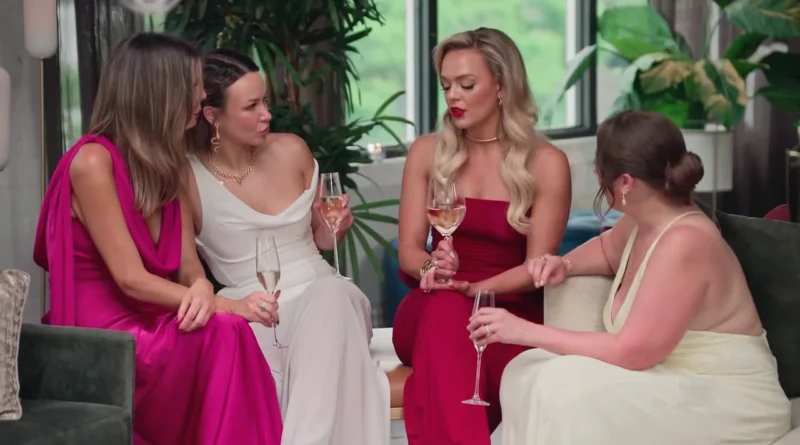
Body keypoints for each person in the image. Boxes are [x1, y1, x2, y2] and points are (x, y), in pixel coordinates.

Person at [469, 110, 792, 445]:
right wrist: (563, 264)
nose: (595, 172)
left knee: (561, 387)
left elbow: (632, 353)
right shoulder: (644, 218)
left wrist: (523, 330)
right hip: (672, 378)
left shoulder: (686, 241)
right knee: (524, 370)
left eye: (600, 165)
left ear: (625, 182)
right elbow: (608, 249)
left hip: (725, 397)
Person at [33, 33, 283, 445]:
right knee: (227, 329)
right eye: (193, 85)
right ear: (159, 92)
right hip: (107, 334)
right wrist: (225, 304)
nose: (202, 95)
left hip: (157, 318)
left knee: (227, 332)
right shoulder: (92, 161)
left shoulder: (173, 165)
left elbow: (188, 267)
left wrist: (202, 287)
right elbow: (130, 279)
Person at [183, 48, 390, 445]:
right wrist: (227, 306)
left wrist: (334, 228)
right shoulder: (185, 175)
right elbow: (187, 271)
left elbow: (322, 240)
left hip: (326, 300)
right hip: (253, 311)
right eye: (252, 106)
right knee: (294, 349)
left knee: (331, 295)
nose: (266, 114)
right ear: (212, 115)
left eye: (265, 101)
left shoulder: (292, 149)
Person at [392, 27, 572, 445]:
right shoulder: (426, 152)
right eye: (446, 86)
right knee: (446, 309)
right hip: (432, 305)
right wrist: (432, 268)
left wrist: (474, 289)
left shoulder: (547, 163)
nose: (453, 96)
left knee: (454, 343)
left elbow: (535, 268)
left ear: (502, 87)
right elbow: (408, 250)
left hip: (506, 313)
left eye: (466, 85)